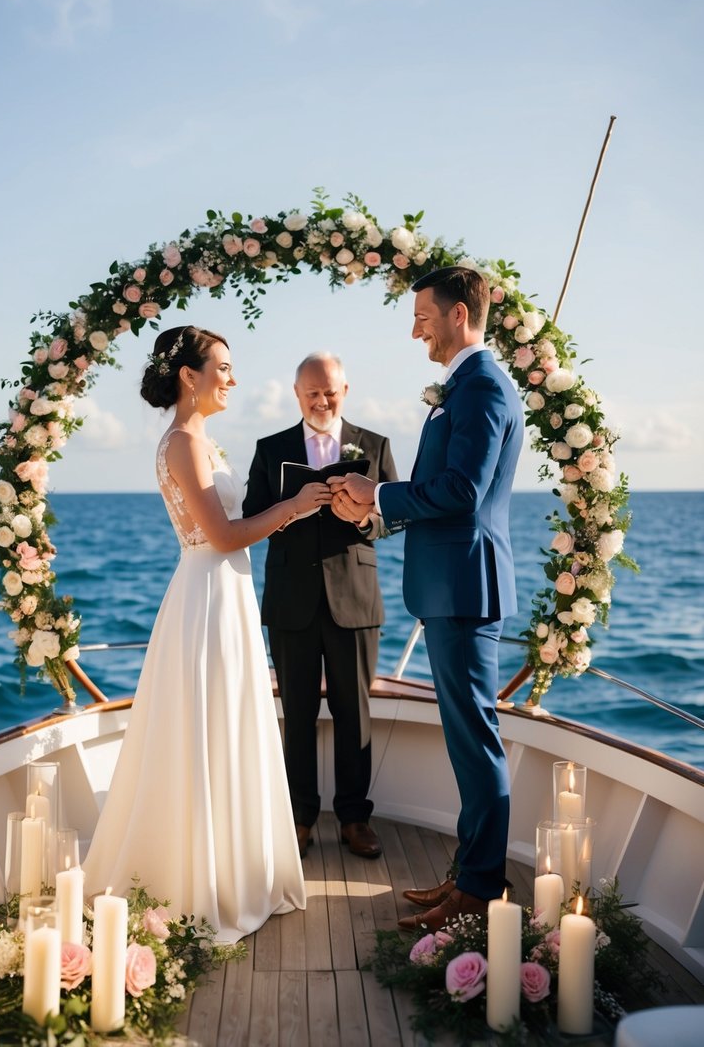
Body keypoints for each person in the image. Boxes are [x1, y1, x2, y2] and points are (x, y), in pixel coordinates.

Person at [83, 325, 332, 943]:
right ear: (188, 376)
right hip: (207, 594)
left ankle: (232, 866)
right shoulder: (184, 444)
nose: (232, 377)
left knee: (229, 723)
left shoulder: (201, 440)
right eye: (222, 366)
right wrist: (295, 507)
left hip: (226, 593)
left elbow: (231, 526)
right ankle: (202, 879)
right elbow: (221, 536)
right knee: (208, 725)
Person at [329, 266, 523, 930]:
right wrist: (375, 504)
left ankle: (479, 892)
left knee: (475, 742)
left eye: (422, 316)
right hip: (450, 586)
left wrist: (379, 494)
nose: (414, 329)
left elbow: (462, 492)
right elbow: (444, 488)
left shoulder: (482, 386)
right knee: (466, 742)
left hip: (465, 586)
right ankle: (466, 876)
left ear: (458, 316)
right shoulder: (464, 386)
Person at [242, 353, 397, 861]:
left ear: (345, 390)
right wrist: (293, 508)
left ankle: (355, 818)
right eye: (312, 393)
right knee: (299, 713)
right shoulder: (271, 450)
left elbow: (394, 519)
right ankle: (300, 818)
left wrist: (361, 518)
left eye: (329, 391)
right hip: (291, 601)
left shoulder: (374, 445)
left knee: (356, 714)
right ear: (296, 393)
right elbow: (250, 518)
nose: (322, 400)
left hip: (355, 597)